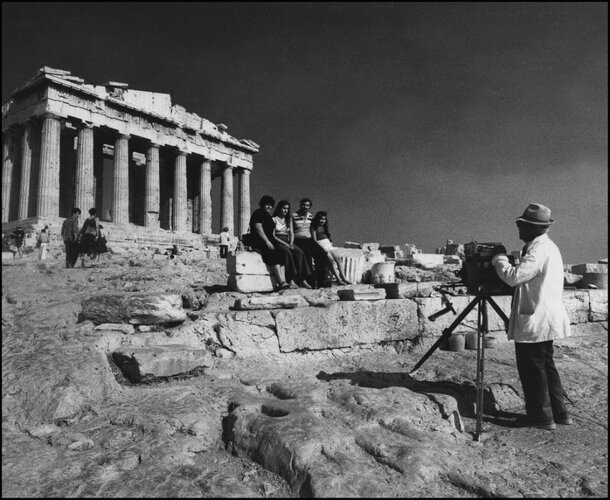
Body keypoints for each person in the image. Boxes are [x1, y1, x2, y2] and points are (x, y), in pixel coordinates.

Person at [491, 203, 572, 430]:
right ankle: (560, 413)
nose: (518, 229)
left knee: (532, 369)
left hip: (537, 318)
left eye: (521, 225)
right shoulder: (547, 247)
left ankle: (541, 418)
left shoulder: (538, 249)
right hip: (545, 317)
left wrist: (499, 259)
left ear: (533, 227)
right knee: (546, 366)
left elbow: (515, 277)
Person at [249, 195, 290, 291]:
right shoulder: (259, 212)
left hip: (270, 240)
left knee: (282, 254)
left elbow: (272, 233)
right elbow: (258, 227)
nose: (269, 207)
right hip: (260, 240)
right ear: (262, 205)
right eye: (267, 205)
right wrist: (266, 241)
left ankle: (284, 281)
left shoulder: (269, 216)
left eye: (271, 205)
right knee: (273, 254)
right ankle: (281, 282)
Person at [272, 200, 312, 289]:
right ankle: (291, 280)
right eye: (283, 208)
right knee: (287, 253)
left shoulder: (288, 218)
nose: (285, 210)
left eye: (287, 208)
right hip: (278, 241)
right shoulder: (274, 219)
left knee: (300, 253)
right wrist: (285, 244)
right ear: (279, 208)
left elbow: (292, 233)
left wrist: (290, 242)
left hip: (288, 240)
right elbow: (273, 236)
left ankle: (302, 279)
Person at [292, 198, 328, 288]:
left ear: (310, 206)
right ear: (300, 205)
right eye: (303, 205)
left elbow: (313, 229)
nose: (305, 207)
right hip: (298, 239)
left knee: (322, 254)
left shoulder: (310, 216)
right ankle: (310, 282)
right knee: (307, 256)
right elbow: (291, 230)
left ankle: (321, 281)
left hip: (309, 239)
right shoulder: (293, 215)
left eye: (307, 205)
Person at [310, 211, 351, 286]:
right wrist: (321, 248)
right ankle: (338, 279)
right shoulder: (314, 227)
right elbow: (314, 240)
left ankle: (344, 278)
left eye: (324, 219)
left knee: (338, 259)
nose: (322, 221)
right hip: (321, 244)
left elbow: (327, 236)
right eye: (321, 219)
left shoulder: (324, 226)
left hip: (328, 243)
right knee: (331, 261)